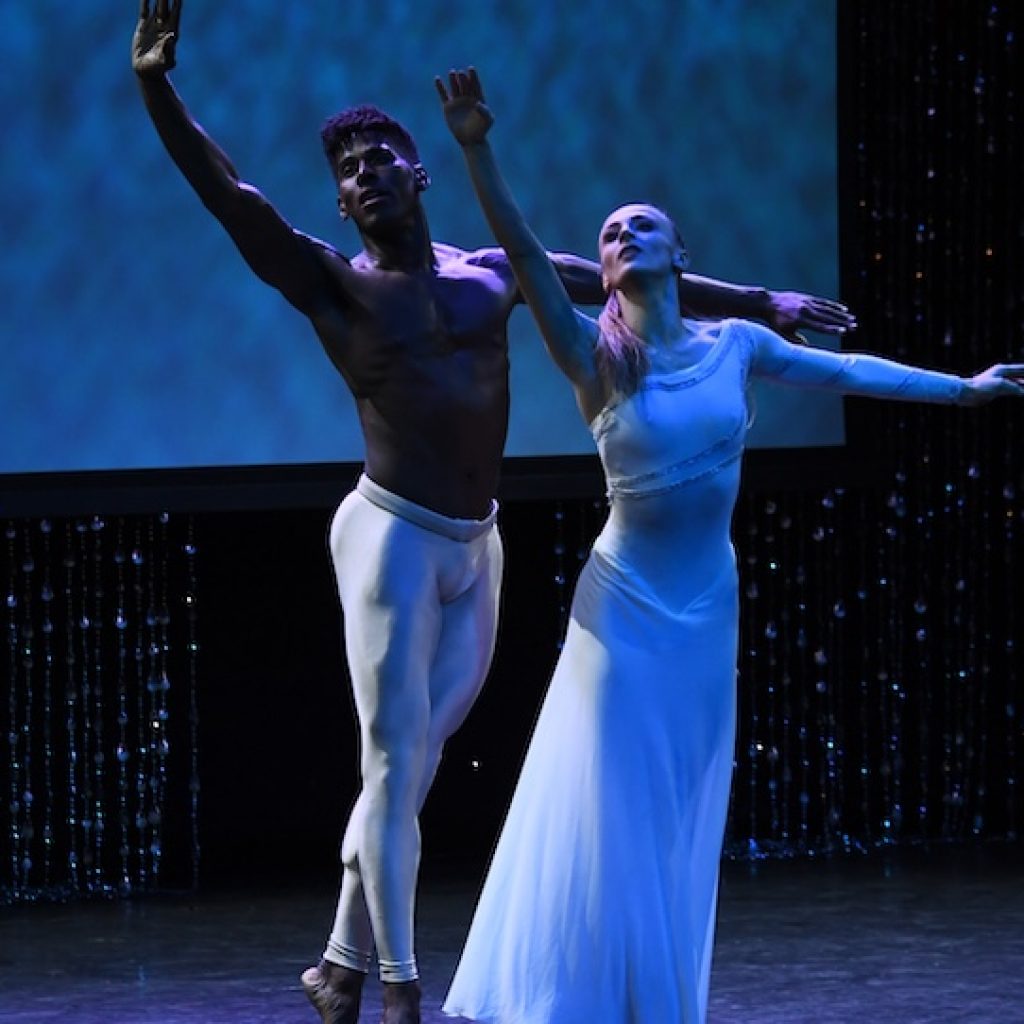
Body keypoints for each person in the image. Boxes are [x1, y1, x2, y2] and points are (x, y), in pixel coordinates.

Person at [130, 4, 855, 1021]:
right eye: (346, 171)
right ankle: (393, 987)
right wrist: (157, 88)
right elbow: (230, 196)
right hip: (389, 536)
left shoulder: (489, 274)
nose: (363, 174)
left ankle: (336, 963)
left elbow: (621, 280)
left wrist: (761, 303)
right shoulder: (333, 286)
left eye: (380, 156)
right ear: (339, 206)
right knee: (389, 760)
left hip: (478, 542)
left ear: (417, 173)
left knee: (412, 767)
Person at [435, 67, 1024, 1024]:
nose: (620, 238)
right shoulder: (591, 352)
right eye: (609, 234)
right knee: (609, 801)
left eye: (638, 226)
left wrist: (963, 388)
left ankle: (651, 998)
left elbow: (846, 371)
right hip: (622, 609)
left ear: (679, 252)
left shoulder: (738, 346)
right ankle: (578, 1000)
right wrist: (473, 146)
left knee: (677, 804)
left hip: (707, 608)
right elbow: (521, 255)